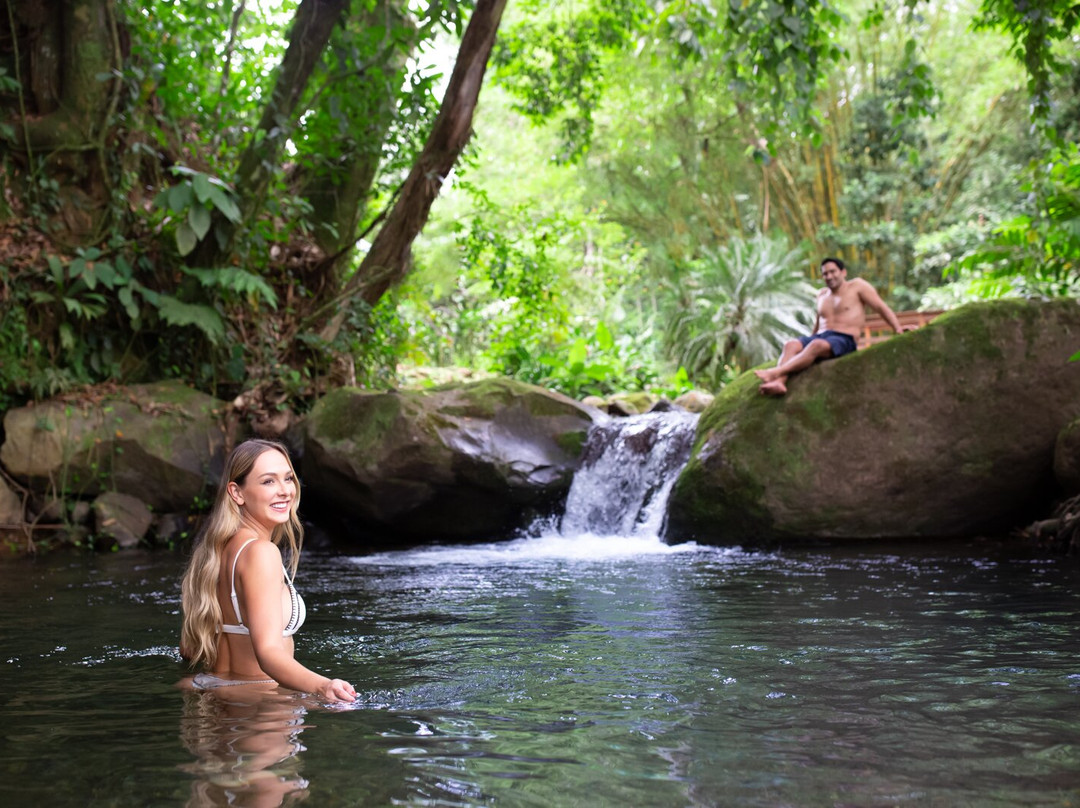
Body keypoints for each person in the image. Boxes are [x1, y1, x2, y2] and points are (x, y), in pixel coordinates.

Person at [179, 438, 356, 702]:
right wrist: (323, 686)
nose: (285, 491)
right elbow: (269, 653)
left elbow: (189, 648)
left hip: (214, 692)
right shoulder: (261, 552)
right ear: (237, 493)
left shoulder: (218, 550)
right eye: (268, 481)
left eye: (288, 478)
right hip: (260, 707)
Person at [754, 257, 909, 396]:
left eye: (832, 272)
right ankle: (779, 382)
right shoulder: (822, 295)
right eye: (825, 274)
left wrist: (898, 328)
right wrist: (805, 343)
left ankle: (775, 372)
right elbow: (818, 323)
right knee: (791, 344)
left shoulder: (857, 286)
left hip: (844, 338)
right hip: (821, 336)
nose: (829, 276)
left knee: (816, 345)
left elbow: (881, 308)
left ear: (843, 272)